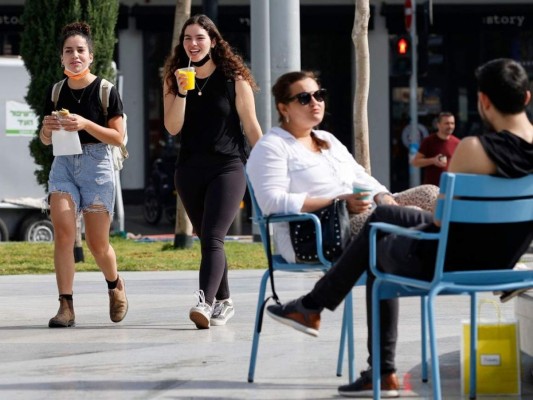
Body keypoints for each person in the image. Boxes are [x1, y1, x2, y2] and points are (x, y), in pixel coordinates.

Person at [265, 58, 533, 398]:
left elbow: (441, 222)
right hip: (503, 265)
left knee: (377, 246)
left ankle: (370, 359)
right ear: (526, 97)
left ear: (483, 101)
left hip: (448, 262)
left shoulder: (473, 149)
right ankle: (313, 308)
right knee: (383, 217)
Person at [246, 71, 438, 265]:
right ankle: (434, 252)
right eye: (304, 98)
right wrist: (337, 202)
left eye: (319, 95)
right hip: (318, 232)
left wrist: (382, 196)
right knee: (400, 216)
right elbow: (271, 202)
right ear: (283, 108)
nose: (315, 102)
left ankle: (438, 251)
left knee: (431, 194)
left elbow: (359, 177)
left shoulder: (327, 139)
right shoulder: (272, 146)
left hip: (361, 215)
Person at [162, 14, 262, 329]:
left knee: (214, 235)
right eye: (187, 38)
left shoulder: (234, 78)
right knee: (207, 238)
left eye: (200, 38)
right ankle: (226, 300)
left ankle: (205, 303)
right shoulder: (174, 78)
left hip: (228, 166)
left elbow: (250, 125)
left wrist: (268, 164)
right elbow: (173, 127)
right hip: (189, 168)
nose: (193, 44)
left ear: (214, 41)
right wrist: (180, 91)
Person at [39, 22, 128, 328]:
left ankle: (114, 284)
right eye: (68, 51)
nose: (74, 55)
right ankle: (66, 306)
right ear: (61, 58)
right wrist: (46, 131)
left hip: (97, 166)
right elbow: (45, 139)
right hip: (63, 164)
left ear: (91, 56)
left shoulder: (105, 90)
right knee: (63, 233)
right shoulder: (55, 91)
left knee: (97, 243)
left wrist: (86, 124)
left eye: (80, 50)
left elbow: (118, 137)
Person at [411, 112, 460, 185]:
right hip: (432, 188)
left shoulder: (458, 143)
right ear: (438, 125)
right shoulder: (429, 141)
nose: (450, 126)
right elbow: (415, 162)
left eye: (452, 123)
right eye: (446, 123)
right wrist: (433, 160)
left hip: (451, 187)